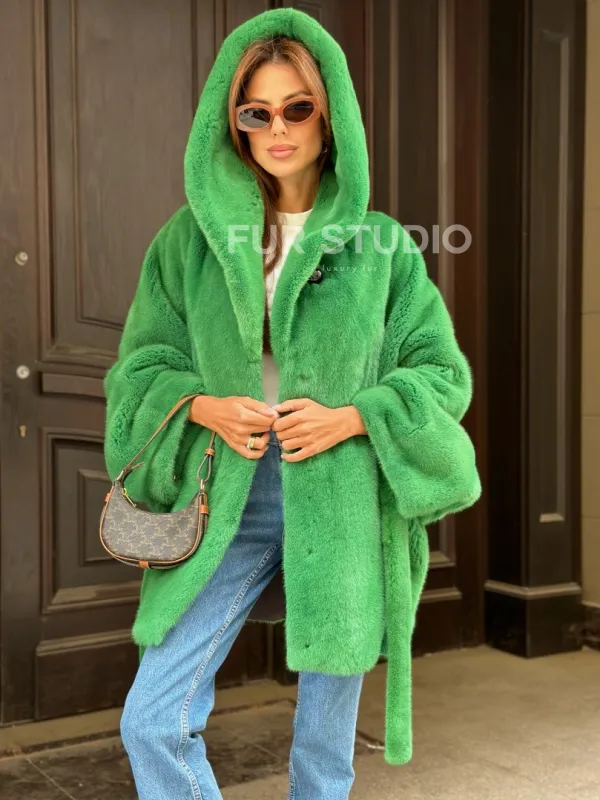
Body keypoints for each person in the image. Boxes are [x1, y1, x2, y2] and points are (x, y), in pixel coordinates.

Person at [103, 7, 481, 799]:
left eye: (297, 108)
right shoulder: (186, 242)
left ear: (327, 114)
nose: (278, 128)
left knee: (323, 756)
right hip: (228, 489)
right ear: (234, 123)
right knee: (153, 719)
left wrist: (356, 415)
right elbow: (141, 367)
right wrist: (202, 405)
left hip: (342, 493)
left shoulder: (383, 246)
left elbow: (441, 372)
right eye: (257, 112)